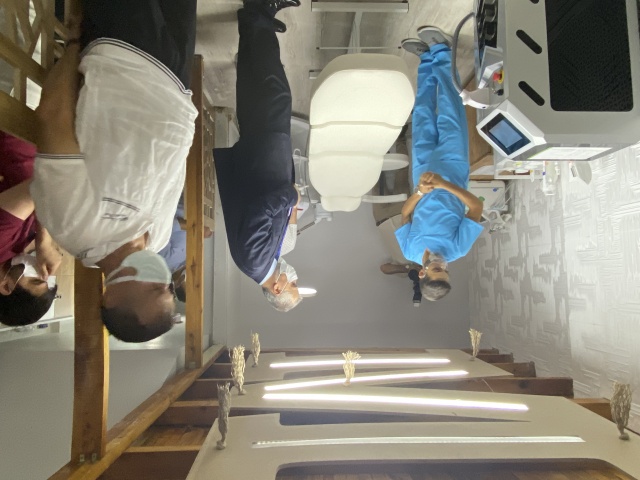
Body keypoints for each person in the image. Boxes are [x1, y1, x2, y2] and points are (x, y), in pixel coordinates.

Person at [30, 1, 199, 342]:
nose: (164, 279)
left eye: (155, 289)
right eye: (168, 287)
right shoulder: (157, 239)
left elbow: (53, 116)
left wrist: (73, 43)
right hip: (178, 82)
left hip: (125, 53)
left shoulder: (75, 226)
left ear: (110, 297)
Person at [213, 0, 303, 313]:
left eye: (293, 285)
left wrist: (291, 196)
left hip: (262, 155)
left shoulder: (254, 261)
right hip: (262, 156)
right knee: (256, 88)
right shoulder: (264, 262)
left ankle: (259, 14)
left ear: (278, 288)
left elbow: (260, 211)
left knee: (273, 90)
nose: (295, 279)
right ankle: (255, 23)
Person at [395, 27, 484, 302]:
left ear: (422, 272)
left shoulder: (410, 251)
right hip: (452, 168)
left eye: (437, 270)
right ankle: (442, 51)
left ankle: (426, 61)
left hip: (422, 173)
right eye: (446, 271)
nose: (443, 265)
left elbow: (405, 215)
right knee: (449, 110)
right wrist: (444, 184)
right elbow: (476, 207)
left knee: (422, 114)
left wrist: (419, 192)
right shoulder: (458, 249)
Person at [0, 132, 61, 326]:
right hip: (38, 140)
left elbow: (44, 183)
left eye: (36, 280)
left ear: (6, 286)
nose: (40, 269)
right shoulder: (14, 250)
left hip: (13, 127)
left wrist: (45, 241)